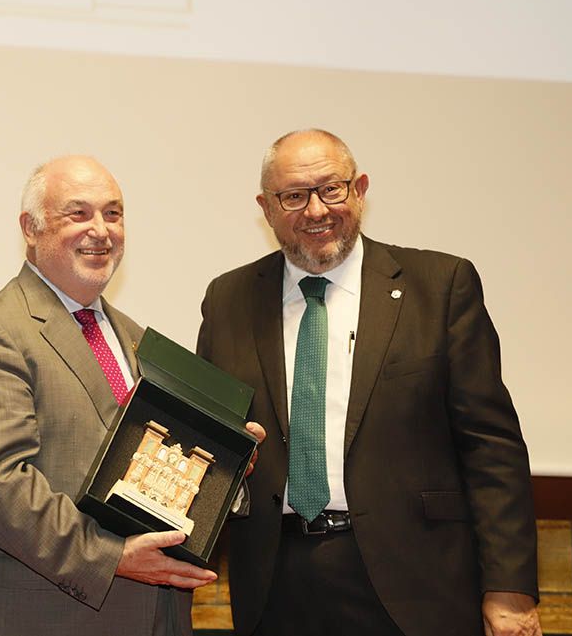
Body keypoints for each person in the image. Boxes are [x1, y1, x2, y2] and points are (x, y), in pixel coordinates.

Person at [196, 129, 540, 636]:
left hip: (416, 580)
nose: (315, 210)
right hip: (274, 582)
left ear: (359, 189)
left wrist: (509, 589)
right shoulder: (228, 299)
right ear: (266, 209)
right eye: (293, 196)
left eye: (331, 189)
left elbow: (492, 449)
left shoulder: (440, 287)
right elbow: (208, 441)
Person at [0, 155, 258, 635]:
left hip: (159, 618)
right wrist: (112, 557)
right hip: (45, 618)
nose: (102, 230)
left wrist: (223, 472)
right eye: (79, 213)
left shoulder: (138, 340)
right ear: (30, 227)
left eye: (113, 214)